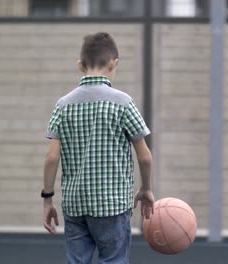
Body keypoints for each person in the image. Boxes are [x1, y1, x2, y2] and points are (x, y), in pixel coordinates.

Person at [41, 32, 154, 264]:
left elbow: (52, 158)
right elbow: (144, 157)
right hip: (113, 206)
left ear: (80, 65)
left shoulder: (63, 106)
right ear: (114, 63)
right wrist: (146, 189)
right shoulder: (123, 103)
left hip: (75, 205)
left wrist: (47, 199)